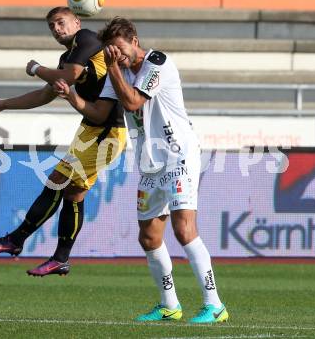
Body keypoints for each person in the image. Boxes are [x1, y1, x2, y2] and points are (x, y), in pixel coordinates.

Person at [54, 17, 228, 323]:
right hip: (149, 160)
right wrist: (72, 96)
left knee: (184, 229)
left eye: (120, 49)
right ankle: (169, 306)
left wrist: (113, 69)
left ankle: (214, 304)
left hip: (178, 154)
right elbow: (99, 111)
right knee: (148, 236)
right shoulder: (116, 71)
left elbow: (133, 102)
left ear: (134, 41)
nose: (117, 55)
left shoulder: (156, 62)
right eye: (112, 51)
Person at [0, 7, 127, 277]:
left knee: (57, 181)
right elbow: (44, 95)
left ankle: (16, 239)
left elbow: (67, 78)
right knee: (73, 192)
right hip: (91, 129)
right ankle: (60, 258)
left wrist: (35, 68)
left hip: (108, 131)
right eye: (51, 26)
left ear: (77, 22)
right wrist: (4, 104)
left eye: (61, 22)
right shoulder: (66, 57)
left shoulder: (87, 39)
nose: (57, 29)